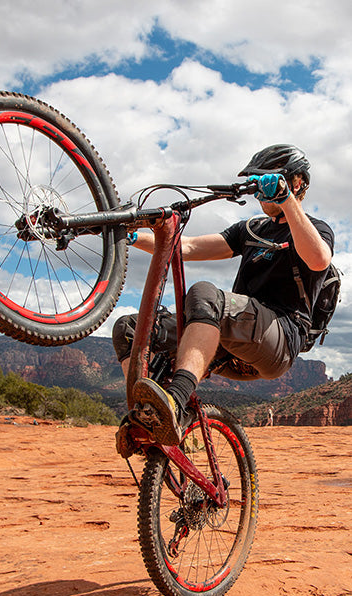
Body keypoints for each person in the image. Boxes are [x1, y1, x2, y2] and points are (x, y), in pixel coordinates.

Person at [112, 144, 334, 445]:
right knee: (128, 329)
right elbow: (186, 247)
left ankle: (174, 402)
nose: (258, 193)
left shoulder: (316, 229)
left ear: (296, 182)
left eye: (264, 181)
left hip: (278, 338)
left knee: (205, 294)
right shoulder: (251, 229)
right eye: (256, 184)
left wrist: (287, 200)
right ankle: (149, 417)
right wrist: (131, 235)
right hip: (227, 341)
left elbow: (318, 260)